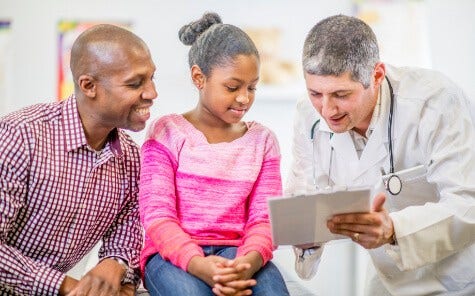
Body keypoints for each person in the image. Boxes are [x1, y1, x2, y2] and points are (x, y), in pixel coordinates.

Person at [286, 14, 475, 295]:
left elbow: (467, 203)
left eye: (341, 94)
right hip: (386, 278)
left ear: (376, 75)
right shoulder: (308, 115)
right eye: (316, 93)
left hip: (454, 277)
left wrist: (393, 228)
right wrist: (303, 235)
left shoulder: (434, 102)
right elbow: (304, 197)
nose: (327, 110)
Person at [139, 12, 289, 296]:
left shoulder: (263, 141)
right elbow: (157, 216)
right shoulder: (167, 132)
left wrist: (248, 262)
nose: (244, 98)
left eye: (252, 87)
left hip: (238, 253)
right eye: (232, 87)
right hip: (170, 256)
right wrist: (198, 264)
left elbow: (265, 220)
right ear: (199, 77)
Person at [0, 24, 157, 295]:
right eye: (135, 83)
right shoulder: (20, 136)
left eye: (152, 78)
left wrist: (116, 265)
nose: (152, 93)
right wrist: (68, 287)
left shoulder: (132, 158)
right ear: (89, 86)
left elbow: (127, 238)